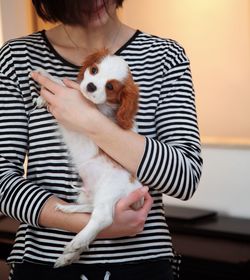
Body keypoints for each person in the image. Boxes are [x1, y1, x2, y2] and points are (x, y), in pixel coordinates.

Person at [0, 0, 203, 279]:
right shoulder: (17, 58)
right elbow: (2, 180)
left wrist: (91, 122)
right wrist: (94, 223)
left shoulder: (165, 56)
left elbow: (185, 177)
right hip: (43, 264)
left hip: (142, 264)